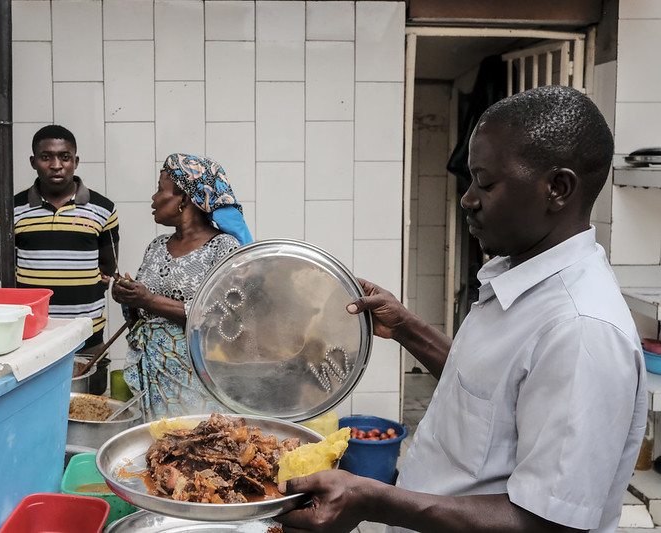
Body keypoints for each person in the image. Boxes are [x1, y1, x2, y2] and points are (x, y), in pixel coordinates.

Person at [275, 85, 647, 533]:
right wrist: (407, 327)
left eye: (485, 183)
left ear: (557, 188)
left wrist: (371, 498)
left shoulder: (581, 330)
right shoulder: (517, 276)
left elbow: (548, 523)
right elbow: (491, 396)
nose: (468, 198)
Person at [111, 153, 252, 420]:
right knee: (159, 440)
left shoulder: (224, 248)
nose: (153, 198)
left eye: (159, 189)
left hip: (198, 378)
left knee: (197, 439)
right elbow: (140, 314)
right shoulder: (156, 247)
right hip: (154, 373)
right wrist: (127, 294)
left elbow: (221, 319)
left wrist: (149, 300)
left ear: (184, 198)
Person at [0, 124, 119, 353]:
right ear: (33, 162)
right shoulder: (11, 210)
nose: (56, 165)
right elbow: (6, 273)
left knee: (90, 378)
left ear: (76, 161)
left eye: (65, 157)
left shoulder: (103, 209)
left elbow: (108, 267)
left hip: (86, 332)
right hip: (32, 333)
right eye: (46, 157)